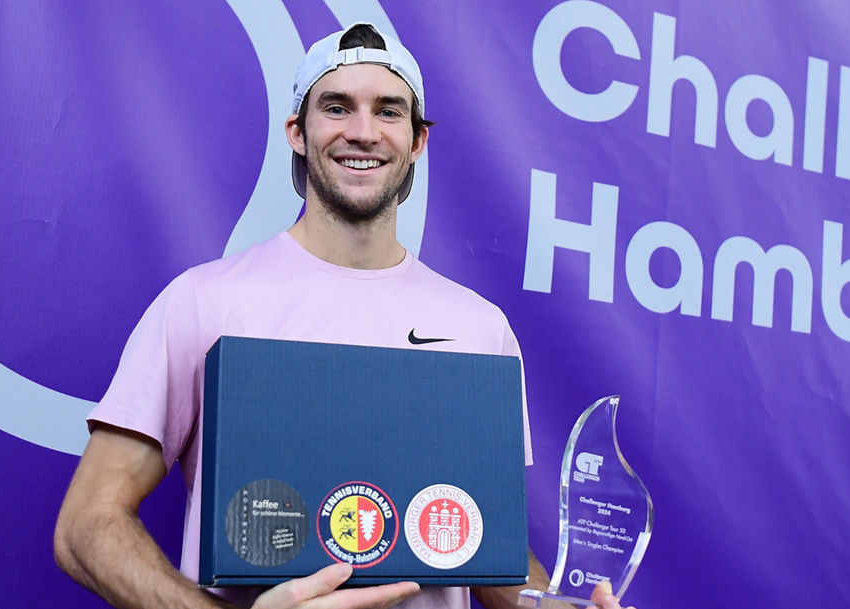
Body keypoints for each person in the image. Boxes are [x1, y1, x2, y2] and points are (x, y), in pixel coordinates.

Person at [54, 22, 636, 609]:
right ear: (298, 133)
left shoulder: (479, 327)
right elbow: (86, 526)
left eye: (388, 111)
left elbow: (485, 557)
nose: (363, 132)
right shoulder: (204, 301)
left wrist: (554, 607)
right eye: (337, 107)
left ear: (417, 142)